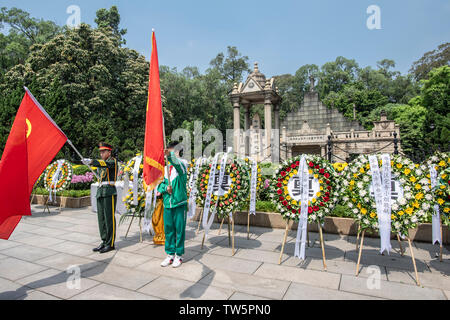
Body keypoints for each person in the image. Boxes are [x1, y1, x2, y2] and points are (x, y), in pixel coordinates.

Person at [82, 142, 118, 254]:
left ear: (109, 152)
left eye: (103, 151)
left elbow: (104, 164)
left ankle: (110, 243)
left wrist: (92, 161)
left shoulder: (112, 161)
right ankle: (104, 241)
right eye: (100, 152)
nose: (101, 153)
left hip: (109, 191)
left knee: (109, 219)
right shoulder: (102, 164)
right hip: (101, 191)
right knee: (101, 219)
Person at [157, 141, 188, 268]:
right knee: (168, 230)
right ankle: (170, 254)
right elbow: (160, 185)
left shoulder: (183, 164)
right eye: (168, 150)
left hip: (179, 203)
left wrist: (170, 156)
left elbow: (178, 165)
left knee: (179, 230)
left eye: (172, 150)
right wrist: (165, 189)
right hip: (167, 204)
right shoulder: (165, 169)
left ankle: (179, 255)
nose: (169, 152)